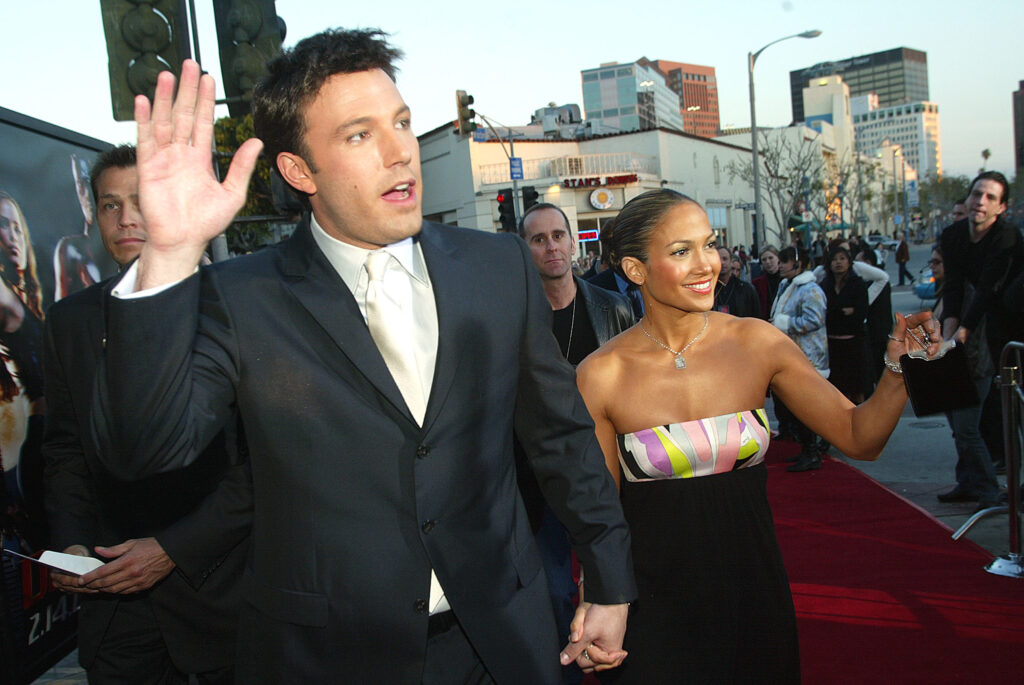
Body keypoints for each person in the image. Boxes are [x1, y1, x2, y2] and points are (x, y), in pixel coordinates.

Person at [89, 30, 635, 683]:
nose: (400, 150)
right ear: (299, 171)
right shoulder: (239, 297)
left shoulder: (499, 267)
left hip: (502, 638)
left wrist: (608, 576)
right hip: (326, 656)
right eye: (358, 135)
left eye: (401, 122)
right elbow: (144, 449)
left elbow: (560, 436)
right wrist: (171, 254)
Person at [574, 188, 938, 683]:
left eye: (709, 244)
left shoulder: (757, 342)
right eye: (682, 252)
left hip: (754, 593)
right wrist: (596, 599)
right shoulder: (601, 374)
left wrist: (898, 369)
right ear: (636, 270)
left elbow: (859, 437)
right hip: (652, 606)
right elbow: (602, 516)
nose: (707, 264)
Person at [43, 145, 250, 684]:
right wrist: (71, 544)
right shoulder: (69, 321)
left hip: (223, 600)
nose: (127, 217)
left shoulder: (242, 306)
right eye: (111, 205)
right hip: (115, 610)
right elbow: (65, 447)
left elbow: (267, 462)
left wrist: (172, 550)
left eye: (141, 199)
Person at [517, 202, 633, 683]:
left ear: (573, 241)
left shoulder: (613, 307)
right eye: (538, 239)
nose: (551, 246)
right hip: (537, 479)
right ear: (525, 250)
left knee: (614, 583)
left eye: (558, 235)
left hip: (604, 472)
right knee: (554, 592)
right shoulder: (514, 319)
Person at [936, 173, 1023, 510]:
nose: (980, 202)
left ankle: (990, 490)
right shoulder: (953, 235)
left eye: (990, 197)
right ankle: (970, 482)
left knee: (975, 423)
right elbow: (955, 287)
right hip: (971, 330)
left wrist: (961, 332)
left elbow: (988, 291)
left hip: (1005, 329)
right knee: (959, 422)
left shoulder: (1007, 238)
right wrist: (949, 336)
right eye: (976, 194)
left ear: (1001, 207)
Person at [0, 191, 47, 547]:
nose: (13, 236)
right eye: (3, 226)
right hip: (37, 449)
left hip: (51, 444)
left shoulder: (23, 291)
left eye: (18, 227)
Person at [823, 245, 871, 403]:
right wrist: (842, 312)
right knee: (837, 392)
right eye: (835, 259)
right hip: (832, 346)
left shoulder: (857, 284)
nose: (838, 262)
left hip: (853, 345)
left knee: (857, 390)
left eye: (842, 259)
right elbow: (824, 314)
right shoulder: (824, 285)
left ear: (849, 262)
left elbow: (860, 313)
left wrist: (838, 313)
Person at [53, 154, 102, 300]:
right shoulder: (70, 249)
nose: (87, 193)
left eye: (91, 182)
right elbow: (59, 313)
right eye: (81, 184)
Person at [713, 246, 760, 318]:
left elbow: (756, 316)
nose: (722, 262)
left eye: (725, 259)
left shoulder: (746, 289)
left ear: (731, 262)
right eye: (718, 259)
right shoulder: (708, 289)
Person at [752, 245, 781, 320]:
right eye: (764, 260)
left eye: (771, 258)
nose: (768, 262)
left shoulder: (787, 280)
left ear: (778, 258)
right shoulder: (756, 283)